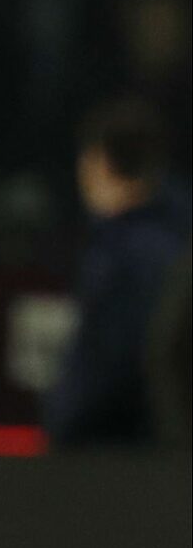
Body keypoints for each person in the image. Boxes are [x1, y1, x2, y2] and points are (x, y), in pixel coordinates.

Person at [44, 97, 191, 445]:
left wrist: (64, 424)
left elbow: (107, 369)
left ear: (97, 162)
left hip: (122, 453)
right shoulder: (178, 240)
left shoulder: (118, 258)